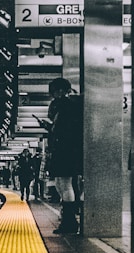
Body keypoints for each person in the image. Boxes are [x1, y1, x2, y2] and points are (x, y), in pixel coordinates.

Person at [38, 77, 83, 233]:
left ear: (61, 91)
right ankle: (68, 220)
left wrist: (50, 128)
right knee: (61, 184)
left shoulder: (65, 106)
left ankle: (69, 222)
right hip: (66, 150)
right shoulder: (67, 106)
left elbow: (64, 131)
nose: (52, 95)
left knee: (64, 184)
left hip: (66, 151)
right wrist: (49, 127)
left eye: (54, 92)